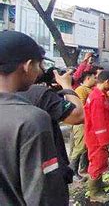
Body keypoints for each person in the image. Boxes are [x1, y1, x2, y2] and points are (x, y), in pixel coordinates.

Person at [0, 30, 68, 205]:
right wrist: (67, 86)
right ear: (28, 65)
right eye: (39, 65)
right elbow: (44, 196)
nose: (40, 72)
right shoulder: (32, 120)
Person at [84, 70, 109, 203]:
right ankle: (95, 193)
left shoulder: (100, 94)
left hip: (97, 138)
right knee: (97, 163)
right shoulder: (97, 98)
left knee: (101, 162)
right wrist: (104, 141)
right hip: (97, 139)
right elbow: (98, 122)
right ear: (107, 81)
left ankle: (99, 185)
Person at [69, 71, 97, 181]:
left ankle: (83, 168)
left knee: (85, 146)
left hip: (88, 122)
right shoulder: (81, 90)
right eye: (94, 77)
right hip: (81, 123)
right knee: (79, 147)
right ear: (88, 78)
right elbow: (80, 107)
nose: (96, 79)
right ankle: (73, 172)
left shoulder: (90, 89)